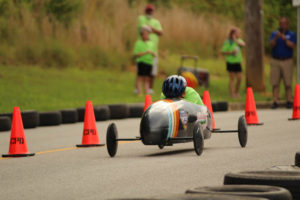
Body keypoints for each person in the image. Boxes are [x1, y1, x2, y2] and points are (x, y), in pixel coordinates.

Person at [269, 17, 297, 109]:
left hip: (287, 60)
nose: (282, 25)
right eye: (281, 23)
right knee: (275, 82)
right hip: (276, 60)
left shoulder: (291, 34)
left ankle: (289, 101)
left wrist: (284, 39)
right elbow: (271, 45)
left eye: (284, 23)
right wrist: (277, 37)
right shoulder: (274, 34)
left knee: (288, 82)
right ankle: (275, 101)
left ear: (287, 24)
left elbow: (292, 45)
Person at [136, 4, 163, 94]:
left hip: (153, 51)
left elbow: (160, 32)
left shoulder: (156, 22)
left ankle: (150, 89)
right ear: (145, 11)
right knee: (140, 73)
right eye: (148, 10)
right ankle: (138, 89)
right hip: (142, 52)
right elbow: (142, 28)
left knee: (151, 73)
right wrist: (150, 29)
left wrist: (152, 29)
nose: (149, 12)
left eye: (151, 10)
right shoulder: (141, 18)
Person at [221, 27, 246, 98]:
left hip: (238, 62)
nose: (240, 34)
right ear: (233, 34)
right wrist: (231, 52)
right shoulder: (228, 42)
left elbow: (243, 45)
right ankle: (232, 94)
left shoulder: (239, 41)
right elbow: (223, 52)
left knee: (239, 78)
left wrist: (235, 40)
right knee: (232, 78)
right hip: (230, 62)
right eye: (238, 33)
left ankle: (236, 92)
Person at [133, 26, 156, 96]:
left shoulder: (151, 43)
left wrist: (152, 53)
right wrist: (145, 52)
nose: (146, 35)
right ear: (141, 35)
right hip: (141, 62)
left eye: (147, 34)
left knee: (147, 78)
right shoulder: (138, 43)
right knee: (140, 77)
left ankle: (147, 93)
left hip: (149, 63)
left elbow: (155, 54)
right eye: (144, 34)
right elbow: (136, 54)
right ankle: (139, 92)